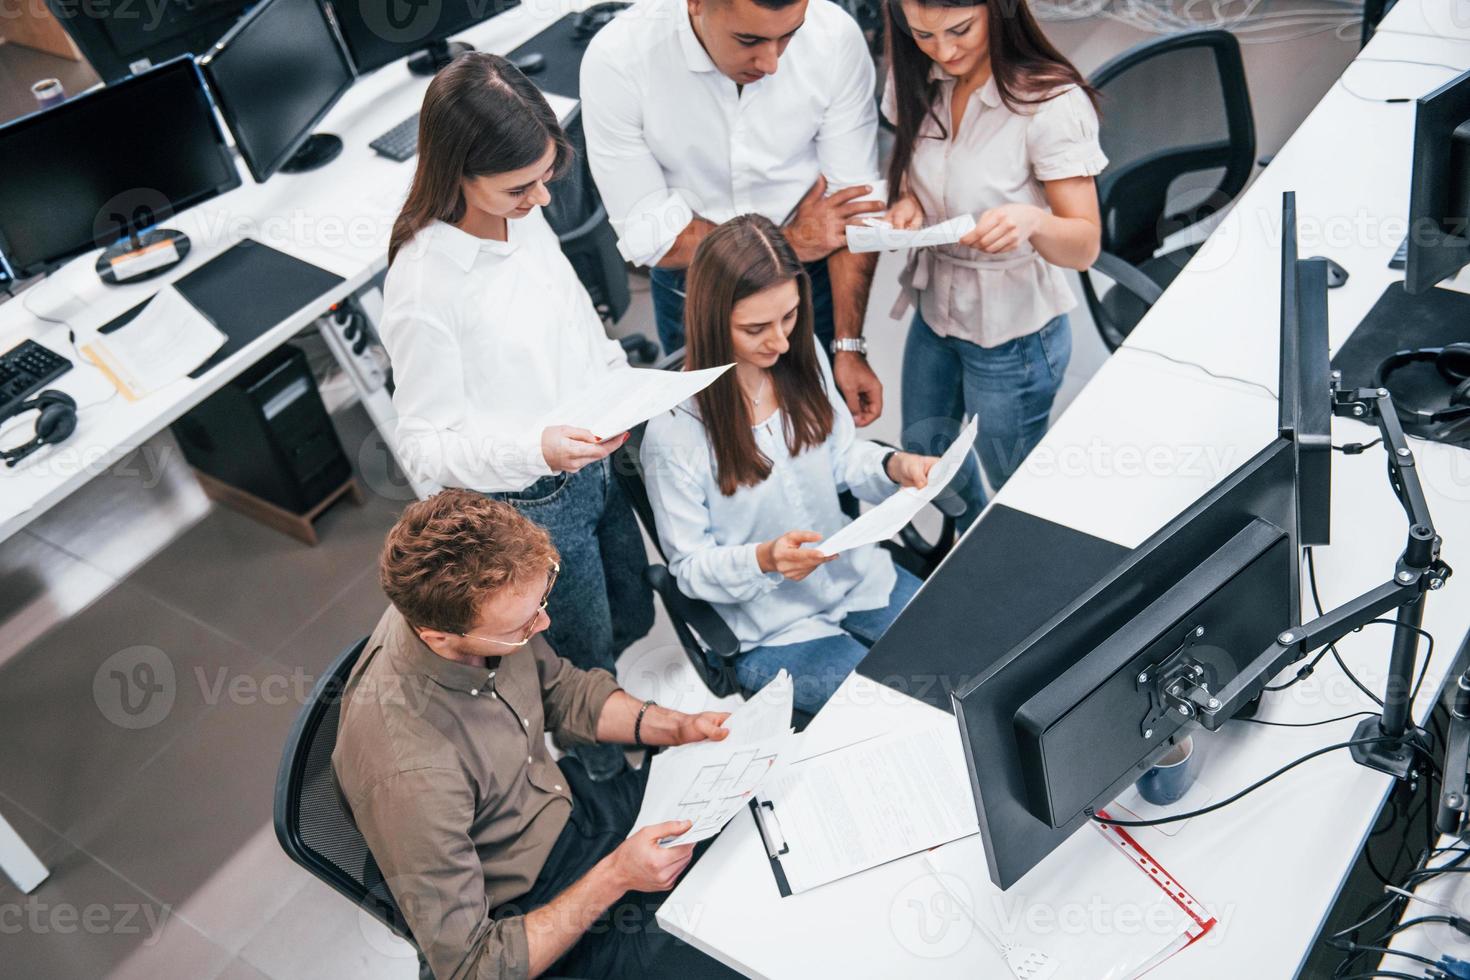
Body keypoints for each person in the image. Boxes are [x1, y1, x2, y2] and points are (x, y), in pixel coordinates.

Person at [379, 53, 653, 780]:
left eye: (545, 177)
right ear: (458, 174)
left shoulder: (520, 218)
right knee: (582, 655)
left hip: (588, 462)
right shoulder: (424, 286)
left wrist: (618, 381)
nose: (540, 199)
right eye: (518, 186)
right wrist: (534, 446)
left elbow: (570, 320)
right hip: (530, 503)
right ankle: (602, 774)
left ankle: (613, 724)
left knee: (630, 612)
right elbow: (425, 448)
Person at [334, 490, 738, 980]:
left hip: (569, 810)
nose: (543, 624)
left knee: (745, 826)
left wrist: (676, 726)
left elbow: (563, 692)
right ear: (439, 638)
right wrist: (615, 876)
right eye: (523, 626)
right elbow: (471, 967)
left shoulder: (478, 608)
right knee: (717, 956)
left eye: (540, 604)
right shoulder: (410, 771)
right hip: (527, 913)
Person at [640, 215, 938, 714]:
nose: (779, 342)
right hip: (773, 626)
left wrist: (892, 466)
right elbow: (689, 569)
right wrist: (765, 559)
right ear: (712, 321)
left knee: (955, 662)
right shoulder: (674, 433)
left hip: (858, 580)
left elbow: (841, 455)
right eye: (755, 329)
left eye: (790, 317)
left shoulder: (801, 356)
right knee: (890, 713)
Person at [580, 0, 887, 427]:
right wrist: (788, 243)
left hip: (808, 284)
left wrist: (849, 346)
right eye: (749, 39)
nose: (772, 62)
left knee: (823, 437)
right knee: (717, 447)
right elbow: (651, 235)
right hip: (698, 287)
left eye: (789, 36)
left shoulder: (834, 36)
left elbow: (855, 213)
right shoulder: (618, 58)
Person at [882, 0, 1106, 527]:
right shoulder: (919, 78)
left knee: (1015, 483)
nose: (945, 51)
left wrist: (1033, 221)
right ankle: (972, 537)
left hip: (1015, 335)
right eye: (923, 35)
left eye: (960, 30)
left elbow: (1085, 245)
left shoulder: (1049, 103)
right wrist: (908, 200)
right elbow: (915, 172)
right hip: (936, 311)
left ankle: (1025, 567)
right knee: (924, 451)